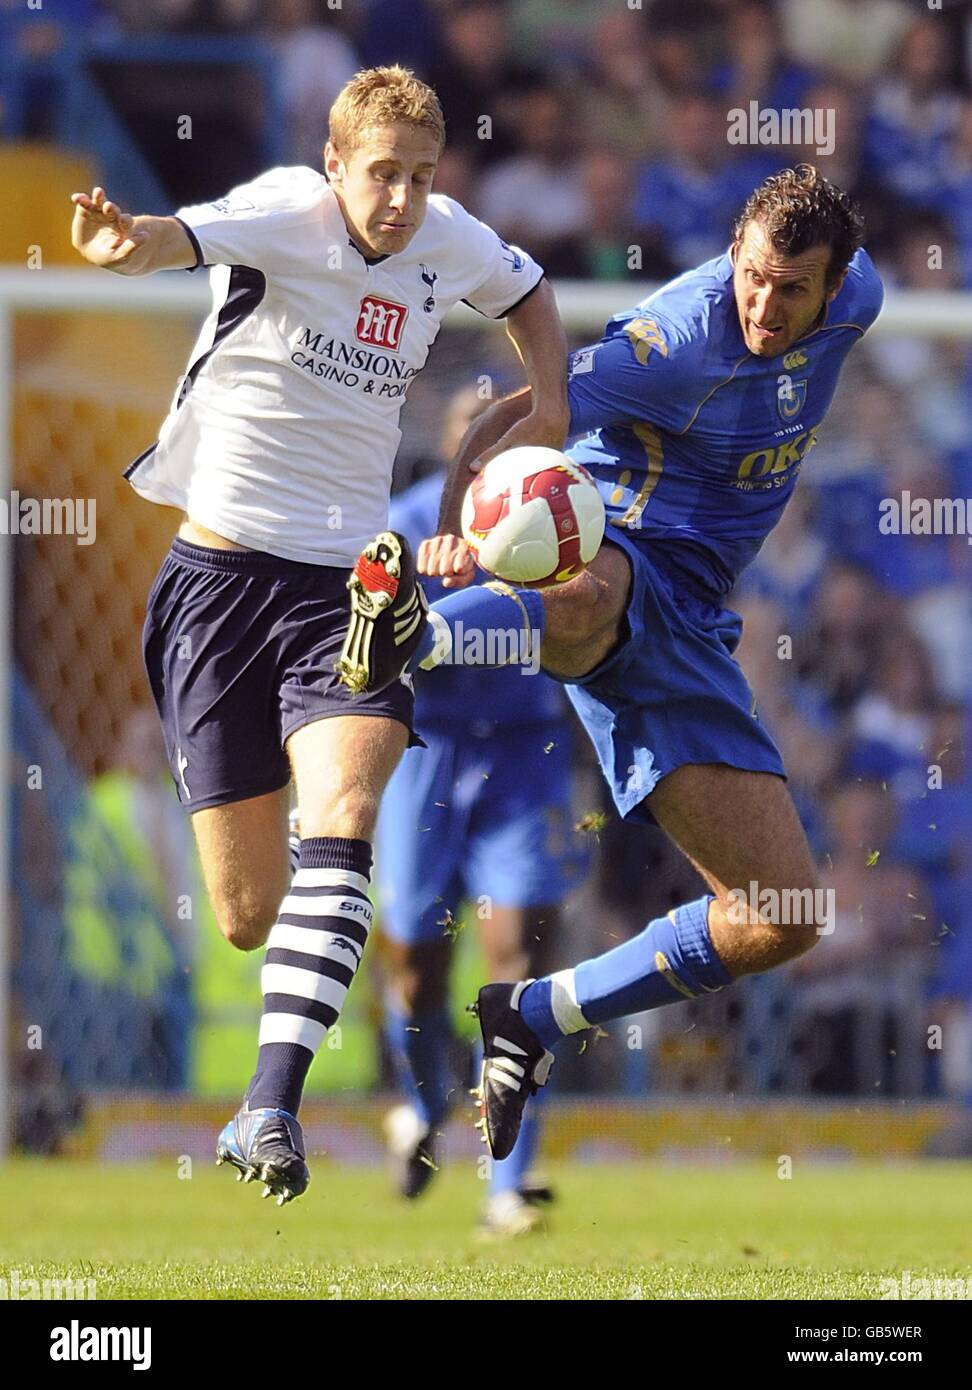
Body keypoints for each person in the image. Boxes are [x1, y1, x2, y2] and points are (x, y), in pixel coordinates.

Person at [69, 64, 568, 1203]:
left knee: (344, 812)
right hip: (214, 583)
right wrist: (122, 245)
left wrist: (551, 402)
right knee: (244, 915)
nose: (398, 197)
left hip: (348, 587)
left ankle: (269, 1106)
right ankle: (315, 965)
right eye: (379, 173)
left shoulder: (447, 237)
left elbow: (529, 290)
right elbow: (173, 239)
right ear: (337, 163)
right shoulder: (285, 210)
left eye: (418, 176)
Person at [339, 165, 884, 1160]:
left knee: (782, 914)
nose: (764, 304)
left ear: (836, 284)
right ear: (732, 256)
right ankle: (410, 633)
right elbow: (532, 401)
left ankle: (538, 1013)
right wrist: (464, 519)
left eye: (791, 287)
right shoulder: (674, 342)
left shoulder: (866, 300)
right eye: (753, 276)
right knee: (592, 595)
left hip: (689, 621)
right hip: (606, 533)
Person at [376, 387, 586, 1235]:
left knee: (516, 965)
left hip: (523, 757)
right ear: (455, 452)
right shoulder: (404, 527)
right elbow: (364, 646)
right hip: (422, 756)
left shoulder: (563, 520)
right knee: (418, 971)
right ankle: (425, 1106)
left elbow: (588, 619)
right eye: (478, 444)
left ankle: (509, 1182)